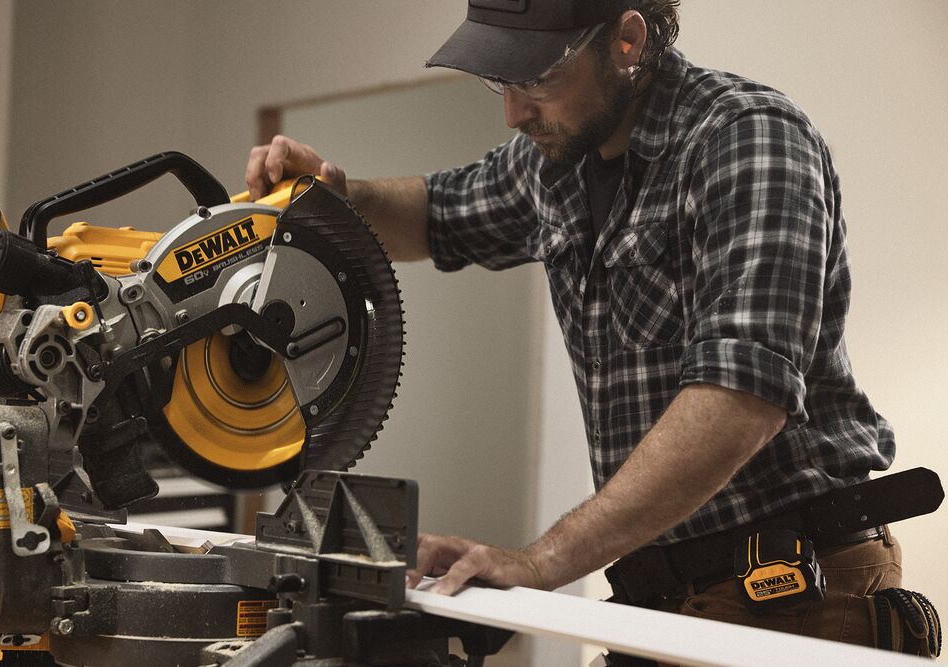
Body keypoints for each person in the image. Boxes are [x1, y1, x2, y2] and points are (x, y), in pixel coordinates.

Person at [246, 0, 906, 654]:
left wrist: (542, 560)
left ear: (626, 41)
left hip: (794, 591)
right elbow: (433, 214)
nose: (513, 111)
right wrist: (332, 197)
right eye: (501, 81)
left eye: (536, 78)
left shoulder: (747, 139)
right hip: (664, 590)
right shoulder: (556, 162)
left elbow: (739, 403)